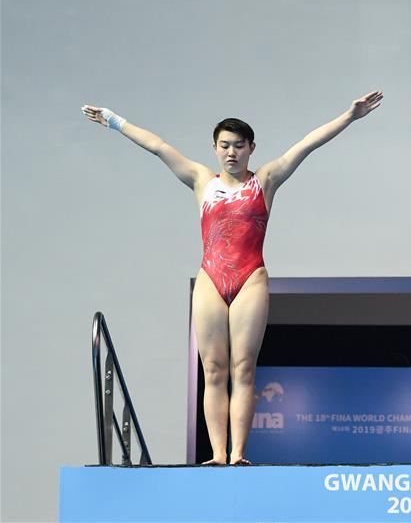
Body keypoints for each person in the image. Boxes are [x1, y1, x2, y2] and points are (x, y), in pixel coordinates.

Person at [82, 91, 383, 464]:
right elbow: (157, 146)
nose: (231, 153)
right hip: (211, 278)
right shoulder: (200, 180)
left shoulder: (266, 180)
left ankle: (239, 453)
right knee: (213, 368)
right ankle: (218, 454)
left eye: (239, 146)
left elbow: (307, 144)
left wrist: (349, 116)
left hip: (250, 278)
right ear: (214, 148)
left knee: (243, 368)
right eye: (224, 145)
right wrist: (115, 121)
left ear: (251, 148)